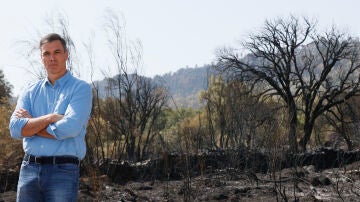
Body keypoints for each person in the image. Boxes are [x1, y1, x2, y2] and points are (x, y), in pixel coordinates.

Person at [9, 33, 92, 202]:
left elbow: (70, 128)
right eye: (46, 53)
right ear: (41, 57)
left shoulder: (81, 88)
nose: (51, 58)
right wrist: (50, 118)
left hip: (63, 170)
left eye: (57, 52)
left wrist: (31, 125)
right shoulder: (29, 91)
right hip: (28, 169)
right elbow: (15, 129)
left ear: (66, 54)